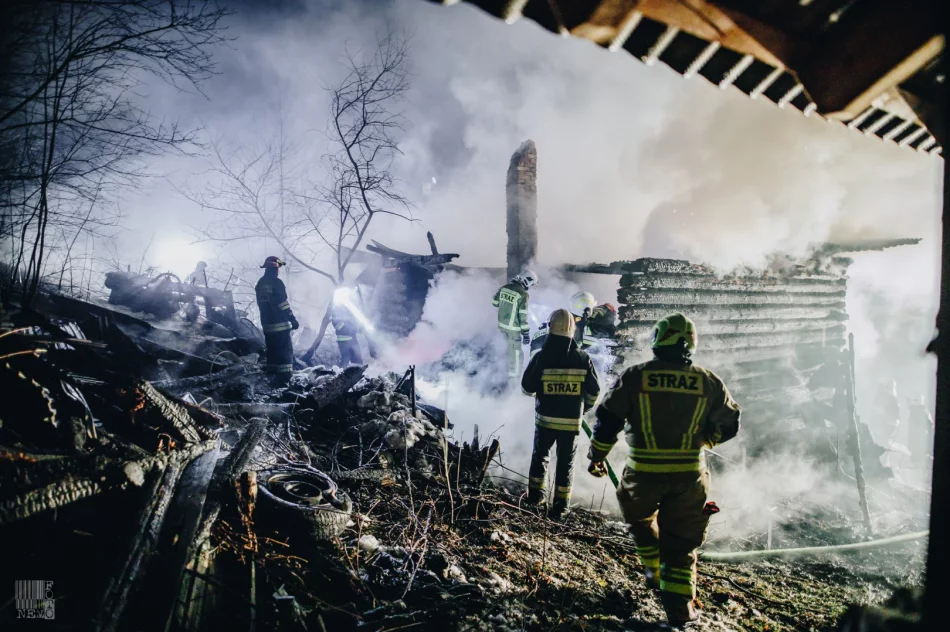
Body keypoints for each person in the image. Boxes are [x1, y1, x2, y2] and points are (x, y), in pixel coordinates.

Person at [587, 313, 740, 625]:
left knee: (641, 523)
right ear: (691, 343)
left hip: (642, 475)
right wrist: (707, 439)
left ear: (657, 339)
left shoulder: (635, 376)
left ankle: (654, 570)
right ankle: (680, 610)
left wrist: (597, 455)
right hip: (690, 476)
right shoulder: (708, 381)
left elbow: (608, 420)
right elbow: (730, 422)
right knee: (681, 542)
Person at [522, 309, 600, 520]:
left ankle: (535, 499)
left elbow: (527, 387)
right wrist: (583, 409)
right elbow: (594, 392)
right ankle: (560, 508)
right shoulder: (583, 358)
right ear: (572, 331)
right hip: (571, 424)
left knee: (540, 457)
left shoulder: (541, 357)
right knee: (566, 464)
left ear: (550, 328)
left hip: (545, 421)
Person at [255, 256, 299, 385]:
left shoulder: (260, 283)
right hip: (281, 324)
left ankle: (271, 379)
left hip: (267, 325)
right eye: (278, 268)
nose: (278, 271)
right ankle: (285, 380)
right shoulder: (276, 283)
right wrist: (292, 319)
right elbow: (282, 303)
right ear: (275, 267)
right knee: (284, 353)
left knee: (272, 353)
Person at [492, 270, 537, 378]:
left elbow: (494, 302)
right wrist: (525, 333)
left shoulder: (504, 288)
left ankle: (499, 374)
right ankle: (514, 379)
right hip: (513, 330)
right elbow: (523, 316)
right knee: (516, 355)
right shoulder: (523, 294)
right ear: (527, 280)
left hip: (501, 326)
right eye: (531, 284)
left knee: (503, 351)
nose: (530, 287)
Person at [331, 286, 372, 366]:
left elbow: (353, 322)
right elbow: (337, 325)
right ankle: (339, 373)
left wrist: (358, 328)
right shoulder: (336, 310)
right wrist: (348, 326)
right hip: (344, 340)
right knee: (345, 361)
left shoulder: (348, 308)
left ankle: (357, 373)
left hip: (352, 338)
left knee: (358, 361)